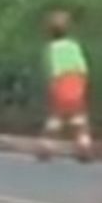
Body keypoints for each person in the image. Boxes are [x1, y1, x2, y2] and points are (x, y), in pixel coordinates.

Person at [40, 10, 93, 162]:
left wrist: (52, 86)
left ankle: (46, 146)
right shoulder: (74, 46)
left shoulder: (51, 48)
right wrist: (83, 85)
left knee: (56, 116)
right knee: (80, 118)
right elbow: (83, 68)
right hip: (76, 82)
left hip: (60, 83)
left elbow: (53, 70)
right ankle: (84, 146)